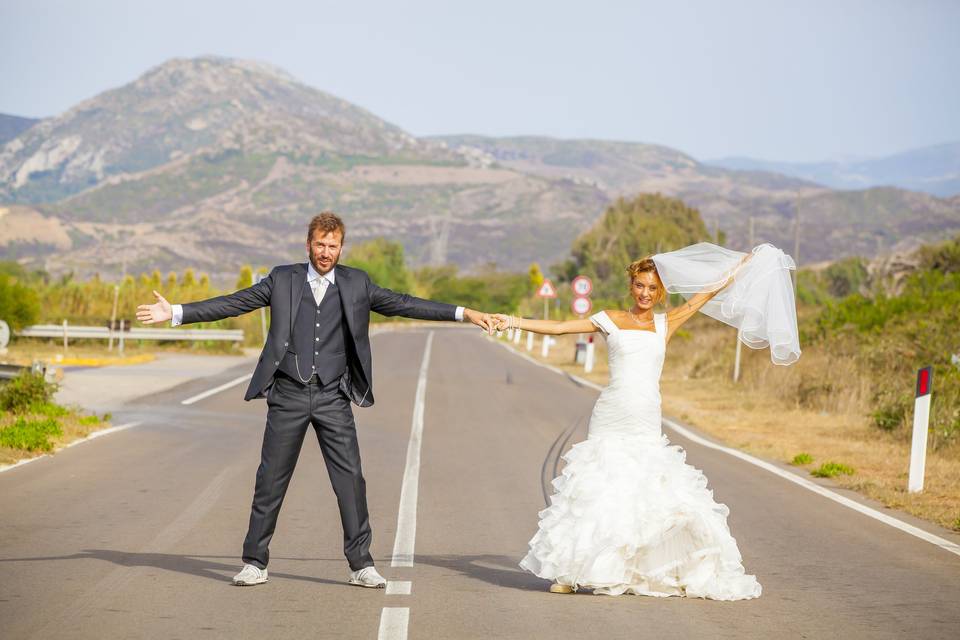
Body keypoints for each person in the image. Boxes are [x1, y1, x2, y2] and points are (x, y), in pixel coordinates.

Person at [136, 211, 496, 588]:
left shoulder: (357, 283)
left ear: (342, 247)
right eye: (320, 245)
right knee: (270, 480)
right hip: (288, 393)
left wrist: (464, 313)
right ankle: (255, 562)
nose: (326, 252)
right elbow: (234, 302)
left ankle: (361, 565)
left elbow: (405, 303)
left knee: (350, 480)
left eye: (333, 245)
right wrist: (176, 312)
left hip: (332, 396)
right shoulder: (282, 279)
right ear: (308, 245)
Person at [494, 242, 800, 599]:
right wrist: (512, 321)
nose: (645, 293)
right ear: (631, 285)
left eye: (653, 288)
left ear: (660, 292)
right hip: (610, 414)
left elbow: (707, 291)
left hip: (644, 417)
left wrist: (746, 264)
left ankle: (638, 567)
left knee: (644, 490)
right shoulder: (609, 319)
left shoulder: (665, 322)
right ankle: (570, 571)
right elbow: (561, 327)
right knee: (598, 488)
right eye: (640, 285)